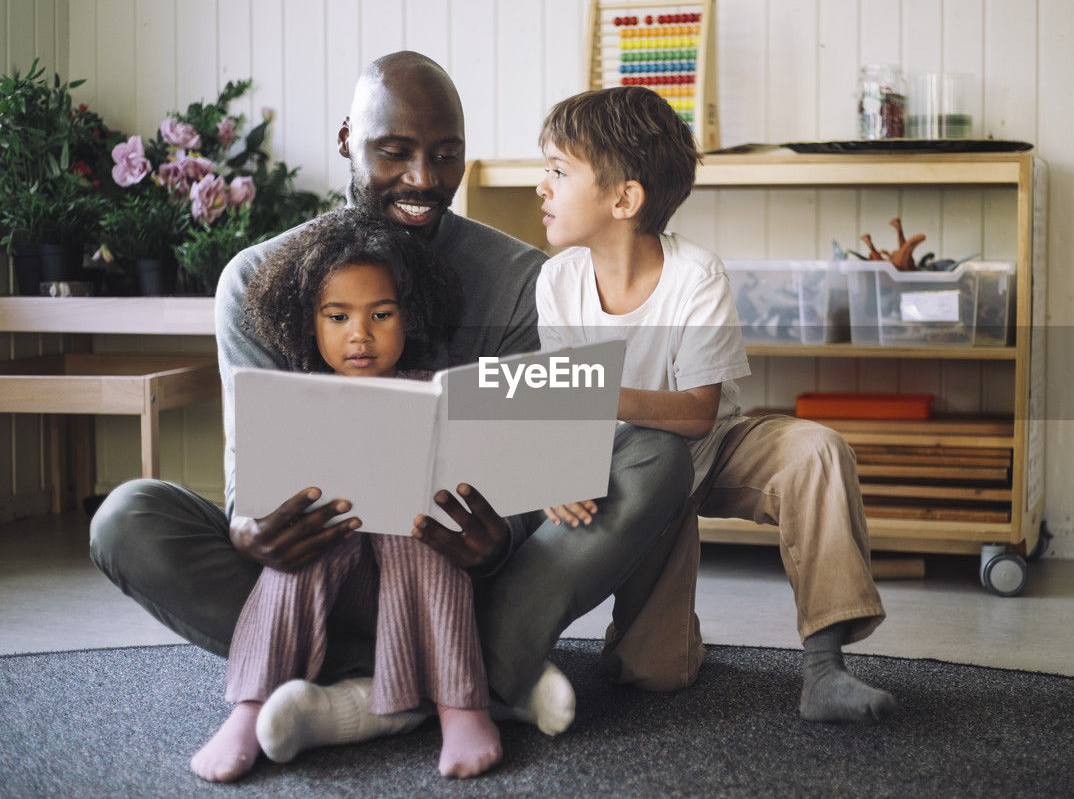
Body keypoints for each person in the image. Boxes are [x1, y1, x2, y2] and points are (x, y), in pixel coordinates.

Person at [89, 53, 692, 760]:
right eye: (394, 152)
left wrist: (499, 541)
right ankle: (456, 679)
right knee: (127, 518)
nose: (424, 179)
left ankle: (407, 677)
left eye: (446, 156)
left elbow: (539, 472)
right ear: (348, 139)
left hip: (465, 579)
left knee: (656, 454)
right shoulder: (255, 280)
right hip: (316, 577)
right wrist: (253, 529)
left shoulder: (521, 281)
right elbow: (244, 487)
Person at [533, 86, 897, 723]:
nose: (542, 186)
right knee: (651, 673)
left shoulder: (696, 275)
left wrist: (595, 391)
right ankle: (676, 644)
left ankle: (824, 667)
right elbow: (557, 407)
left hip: (719, 444)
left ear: (625, 199)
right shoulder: (556, 281)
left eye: (559, 171)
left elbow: (698, 413)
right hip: (636, 472)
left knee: (816, 450)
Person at [189, 209, 503, 782]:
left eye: (381, 315)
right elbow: (266, 491)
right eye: (338, 317)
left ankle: (462, 705)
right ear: (309, 323)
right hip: (334, 580)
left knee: (424, 533)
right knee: (306, 543)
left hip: (414, 579)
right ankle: (251, 707)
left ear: (410, 317)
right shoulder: (295, 400)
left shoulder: (431, 392)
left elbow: (469, 484)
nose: (360, 334)